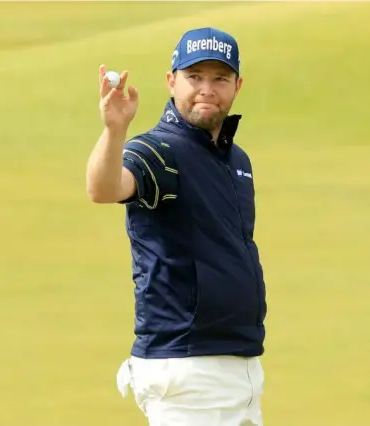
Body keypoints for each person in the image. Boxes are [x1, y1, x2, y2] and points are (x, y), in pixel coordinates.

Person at [86, 26, 267, 426]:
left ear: (237, 85)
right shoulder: (159, 150)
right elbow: (104, 188)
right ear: (172, 82)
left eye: (219, 78)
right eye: (194, 77)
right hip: (187, 369)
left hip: (239, 367)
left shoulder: (237, 160)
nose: (206, 89)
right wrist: (115, 130)